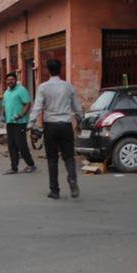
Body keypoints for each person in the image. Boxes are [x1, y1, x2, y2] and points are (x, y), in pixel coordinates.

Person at [29, 59, 82, 199]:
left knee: (52, 159)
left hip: (50, 126)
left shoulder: (43, 87)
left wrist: (30, 123)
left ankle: (54, 190)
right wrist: (80, 118)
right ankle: (72, 179)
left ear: (48, 70)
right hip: (65, 125)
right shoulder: (68, 87)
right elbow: (77, 108)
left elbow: (37, 107)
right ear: (61, 69)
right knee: (69, 157)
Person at [2, 72, 37, 175]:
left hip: (20, 122)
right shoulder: (6, 92)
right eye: (8, 80)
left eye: (12, 79)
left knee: (21, 144)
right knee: (11, 145)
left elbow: (27, 104)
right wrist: (4, 114)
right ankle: (14, 168)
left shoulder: (21, 90)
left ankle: (31, 165)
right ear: (6, 81)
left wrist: (21, 115)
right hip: (10, 122)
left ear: (16, 80)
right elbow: (4, 104)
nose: (10, 81)